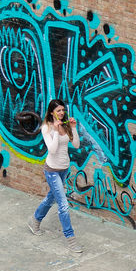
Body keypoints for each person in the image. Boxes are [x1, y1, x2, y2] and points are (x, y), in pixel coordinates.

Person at [27, 99, 83, 253]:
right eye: (58, 111)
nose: (61, 113)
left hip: (64, 169)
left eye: (63, 110)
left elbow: (76, 145)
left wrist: (73, 128)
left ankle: (35, 220)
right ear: (51, 112)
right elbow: (52, 149)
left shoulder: (65, 125)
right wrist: (57, 133)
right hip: (51, 170)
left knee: (50, 198)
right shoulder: (47, 127)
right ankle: (71, 240)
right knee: (63, 205)